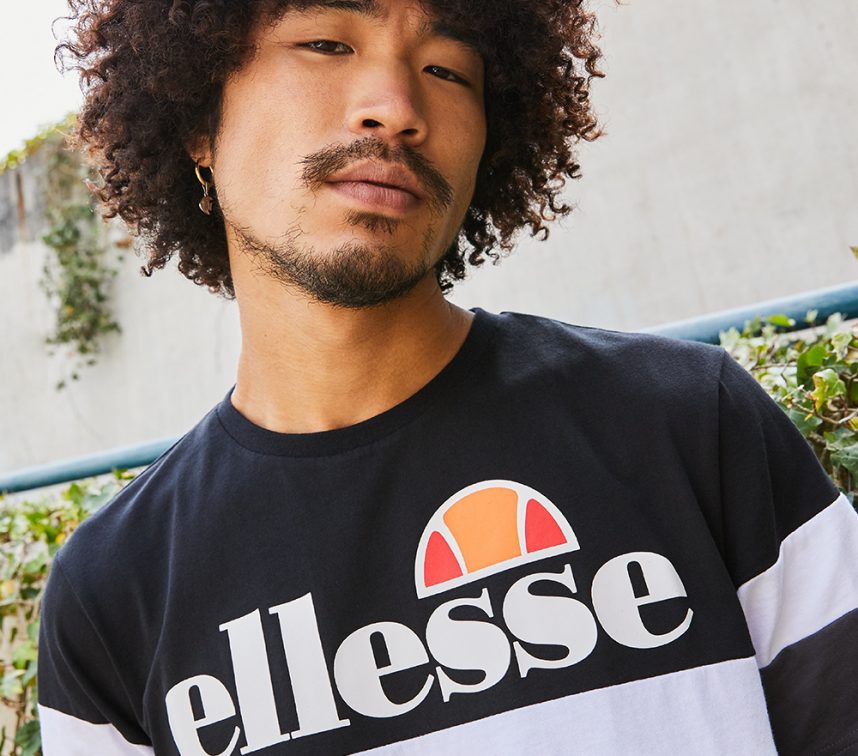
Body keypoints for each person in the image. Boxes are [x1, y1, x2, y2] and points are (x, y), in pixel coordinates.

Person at [37, 0, 858, 754]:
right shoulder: (113, 597)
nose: (397, 107)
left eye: (447, 69)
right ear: (197, 121)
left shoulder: (690, 423)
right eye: (326, 43)